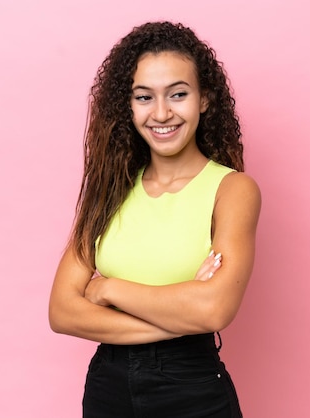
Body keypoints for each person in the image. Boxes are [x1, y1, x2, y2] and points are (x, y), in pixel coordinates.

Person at [49, 21, 261, 418]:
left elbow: (214, 310)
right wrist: (181, 315)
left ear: (205, 99)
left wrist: (108, 289)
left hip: (191, 387)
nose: (161, 113)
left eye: (178, 94)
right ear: (127, 106)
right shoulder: (109, 188)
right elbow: (62, 311)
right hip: (108, 386)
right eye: (144, 97)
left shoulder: (232, 190)